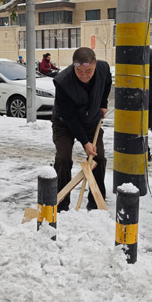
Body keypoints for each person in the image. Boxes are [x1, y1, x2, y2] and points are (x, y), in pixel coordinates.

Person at [52, 47, 112, 211]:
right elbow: (70, 118)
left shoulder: (103, 68)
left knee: (98, 157)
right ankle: (61, 203)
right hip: (65, 123)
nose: (84, 75)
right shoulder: (63, 82)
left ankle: (96, 202)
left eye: (88, 71)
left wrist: (103, 104)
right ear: (73, 66)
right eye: (79, 71)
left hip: (91, 121)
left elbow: (107, 82)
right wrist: (85, 142)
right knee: (63, 158)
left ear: (95, 64)